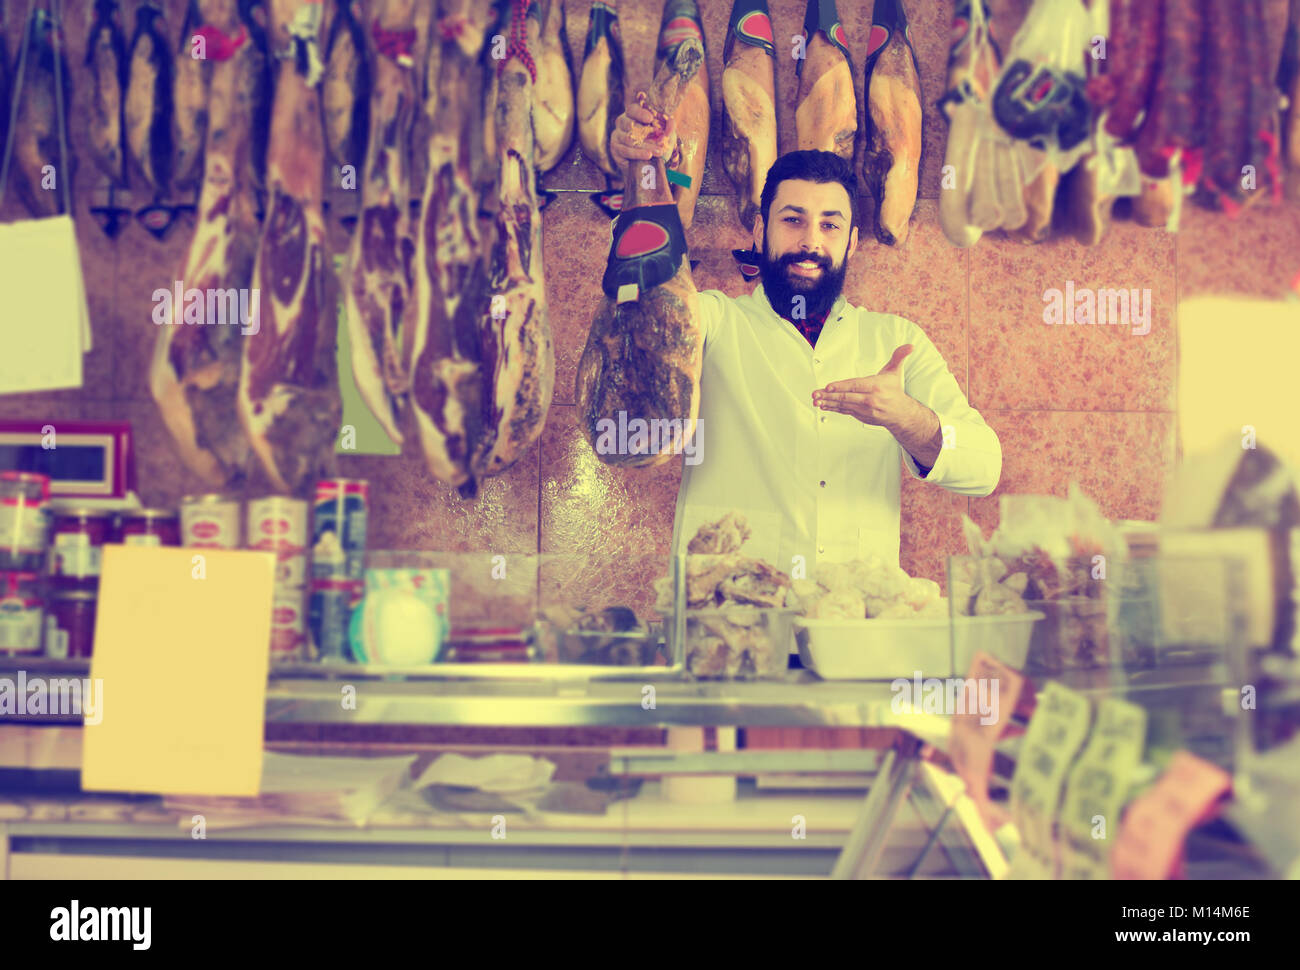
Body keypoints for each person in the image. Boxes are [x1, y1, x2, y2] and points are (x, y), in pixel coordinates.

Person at [608, 102, 1002, 573]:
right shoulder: (709, 320)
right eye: (792, 220)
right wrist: (643, 169)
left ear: (852, 241)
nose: (811, 242)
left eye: (830, 225)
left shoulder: (896, 342)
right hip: (726, 622)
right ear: (760, 230)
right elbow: (643, 298)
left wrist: (908, 419)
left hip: (849, 624)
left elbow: (985, 467)